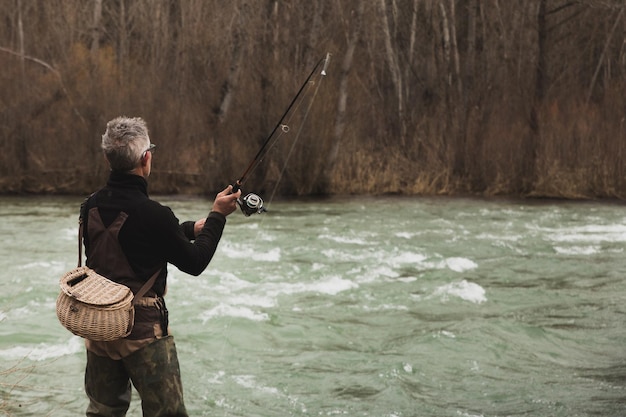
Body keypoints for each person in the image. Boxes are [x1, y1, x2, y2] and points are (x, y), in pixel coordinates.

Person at [80, 116, 240, 416]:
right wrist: (218, 216)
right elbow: (195, 263)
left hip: (99, 329)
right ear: (146, 158)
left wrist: (192, 228)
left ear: (107, 158)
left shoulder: (90, 205)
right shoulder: (155, 214)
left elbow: (129, 240)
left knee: (102, 412)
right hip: (142, 333)